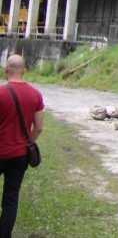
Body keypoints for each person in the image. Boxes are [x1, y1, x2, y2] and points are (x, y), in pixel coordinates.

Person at [0, 55, 43, 238]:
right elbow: (39, 127)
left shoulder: (0, 93)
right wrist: (28, 141)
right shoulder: (35, 94)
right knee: (11, 197)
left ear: (6, 70)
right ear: (24, 70)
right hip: (20, 155)